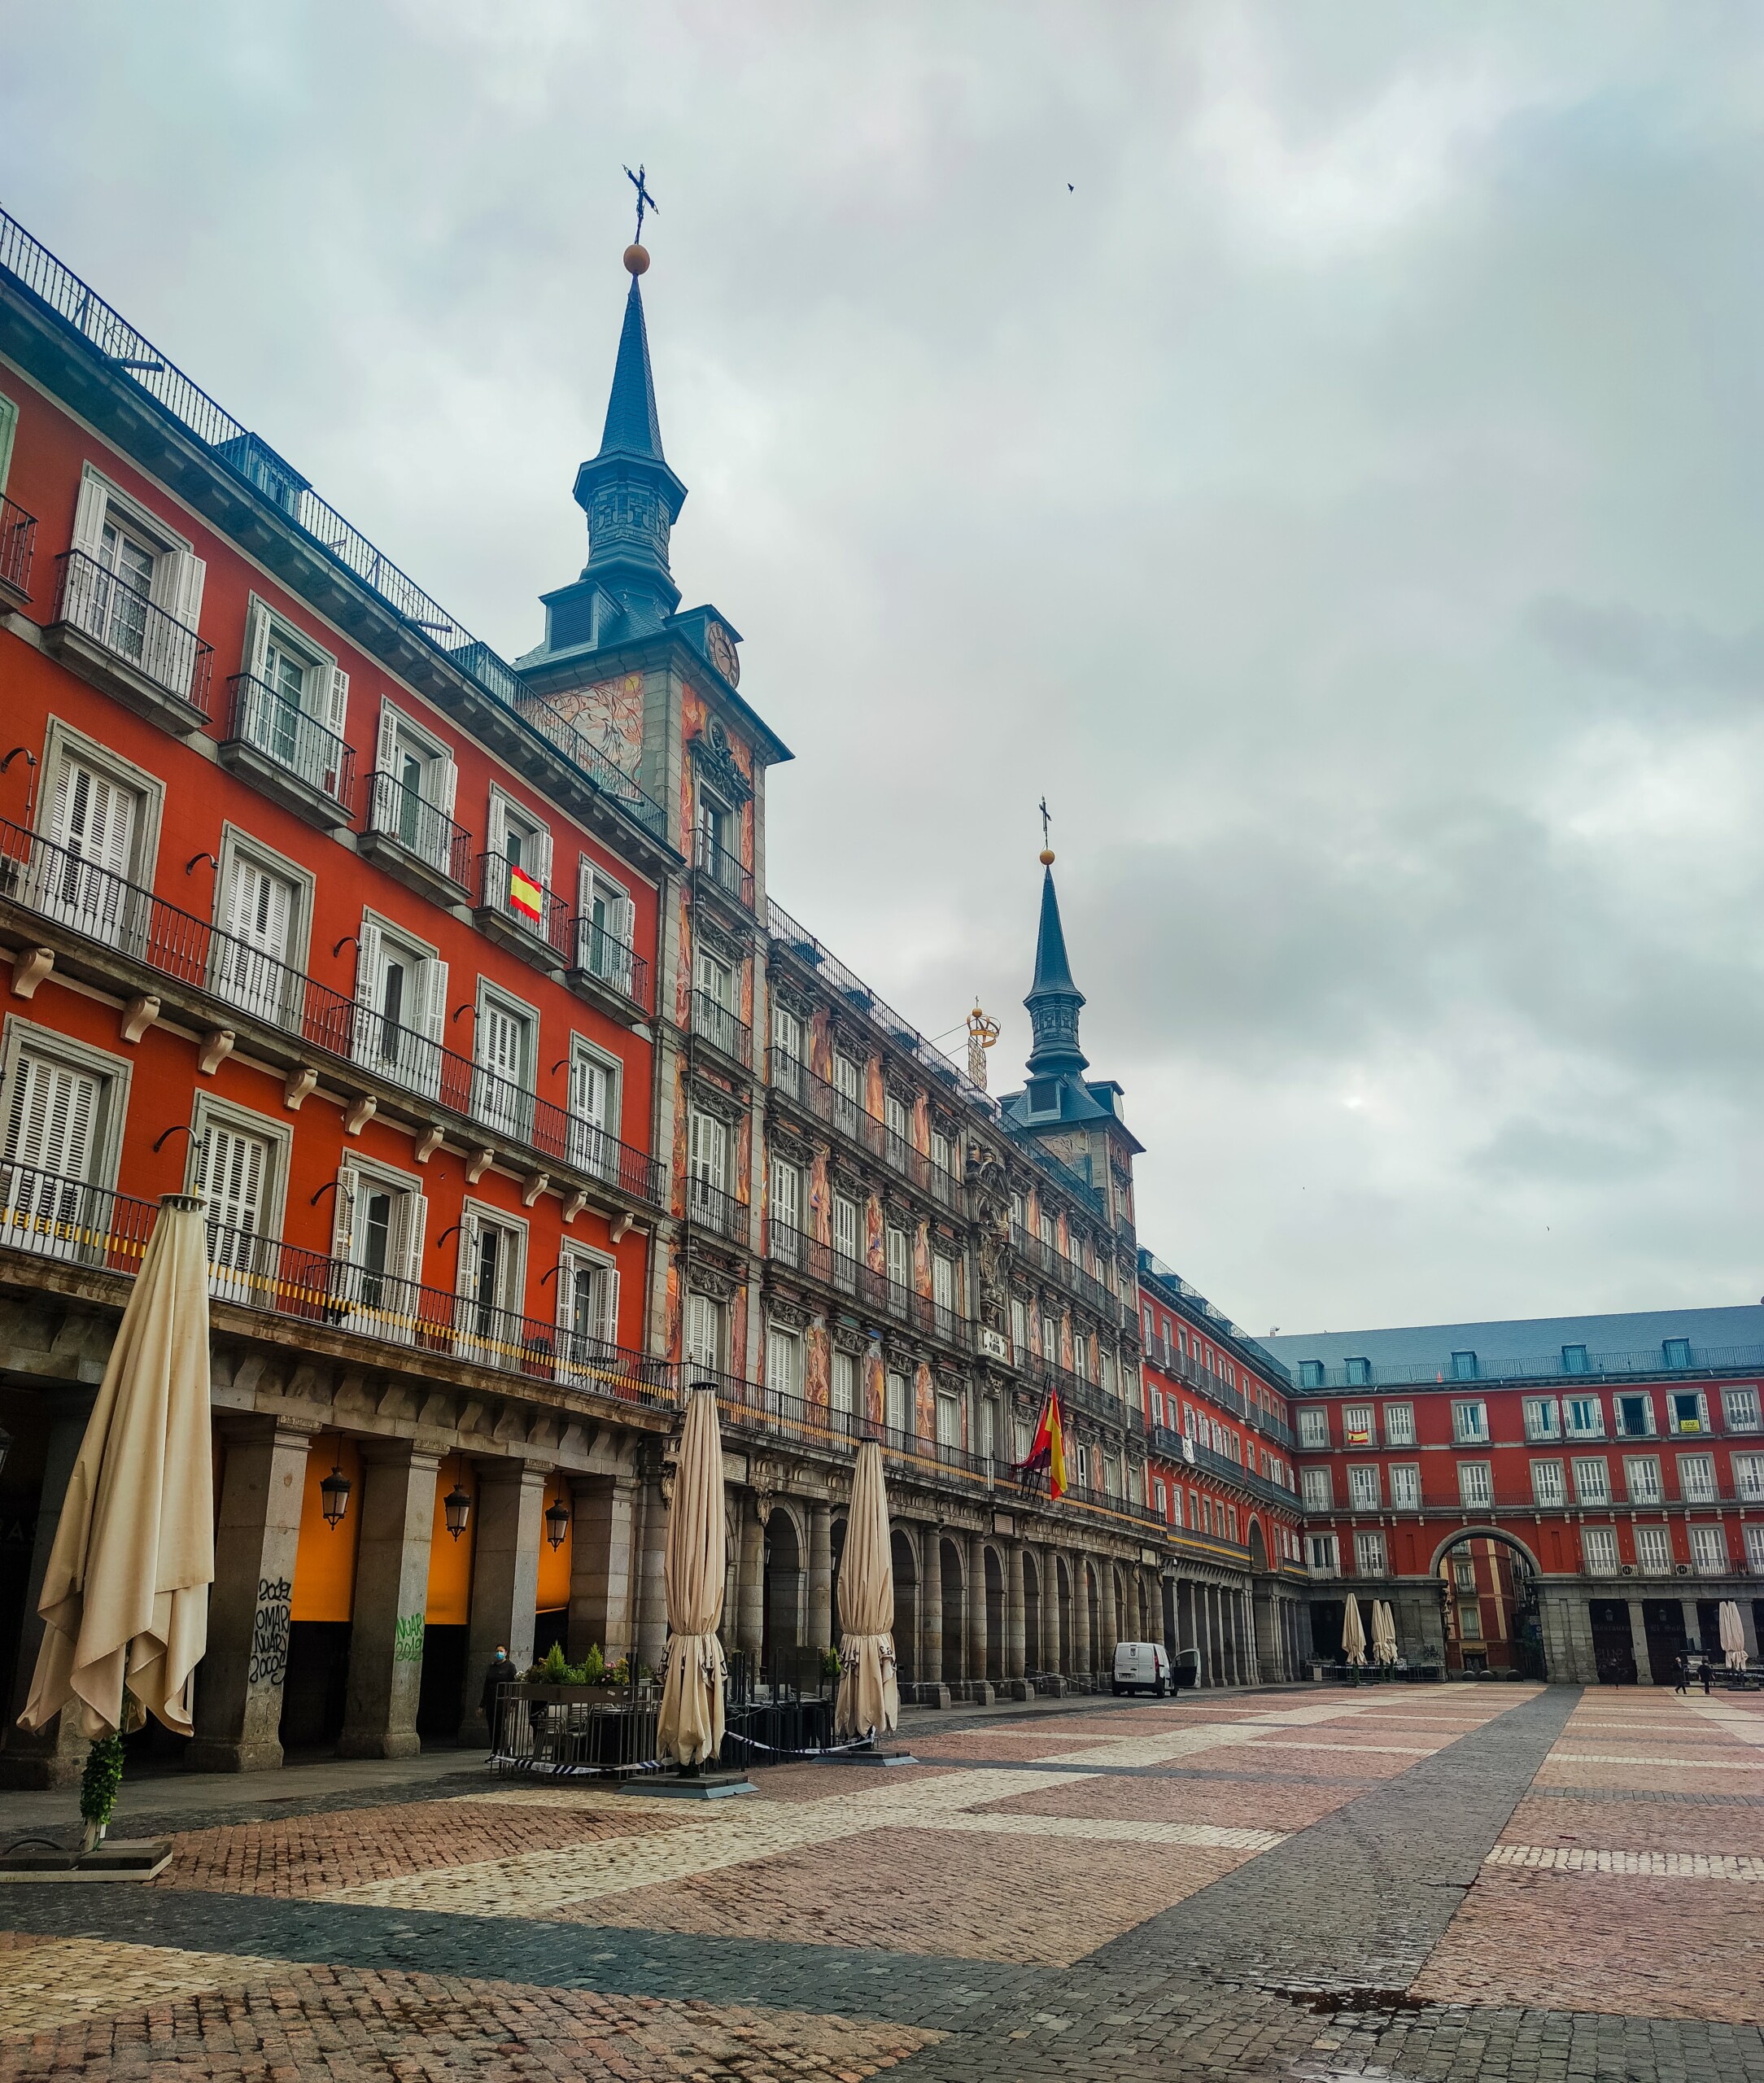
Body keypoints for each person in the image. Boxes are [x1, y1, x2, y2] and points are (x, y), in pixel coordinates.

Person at [480, 1645, 511, 1749]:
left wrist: (512, 1703)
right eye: (497, 1651)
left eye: (501, 1651)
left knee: (499, 1726)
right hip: (491, 1701)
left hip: (502, 1701)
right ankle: (498, 1749)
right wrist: (482, 1704)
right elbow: (486, 1685)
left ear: (506, 1653)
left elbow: (513, 1683)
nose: (499, 1653)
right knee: (492, 1726)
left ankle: (499, 1749)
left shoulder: (510, 1666)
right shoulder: (492, 1667)